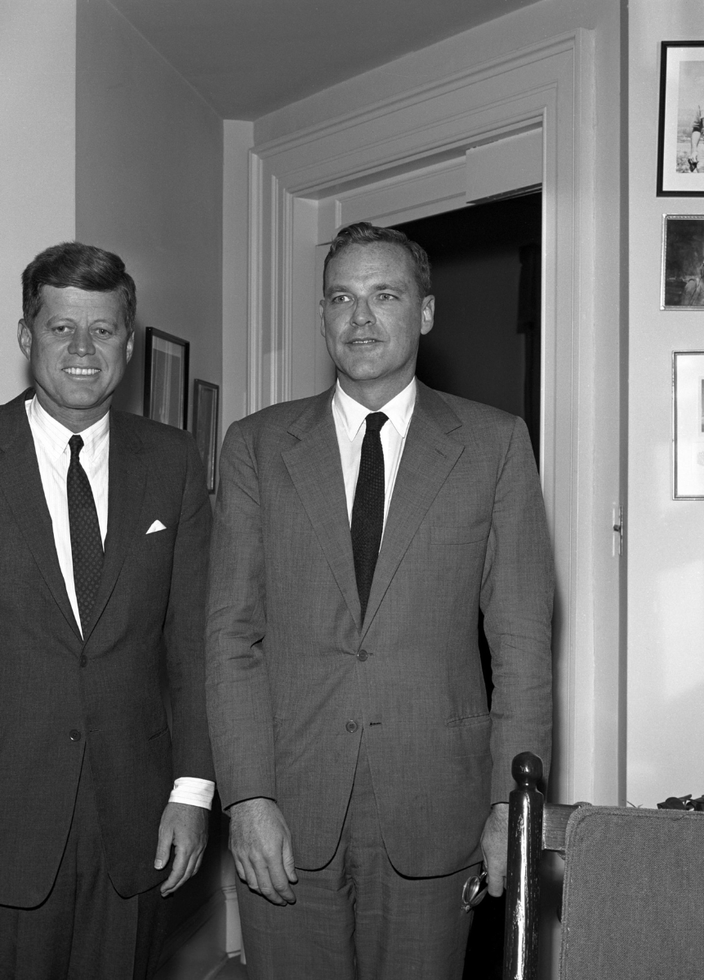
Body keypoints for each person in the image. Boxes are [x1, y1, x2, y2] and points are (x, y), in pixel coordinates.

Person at [206, 222, 554, 980]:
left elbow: (523, 638)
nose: (360, 317)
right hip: (288, 805)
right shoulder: (256, 448)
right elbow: (231, 636)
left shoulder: (495, 446)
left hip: (439, 805)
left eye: (384, 295)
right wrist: (247, 797)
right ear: (324, 315)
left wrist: (509, 807)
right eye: (341, 298)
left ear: (425, 312)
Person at [0, 242, 215, 980]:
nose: (83, 349)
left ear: (127, 340)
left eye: (102, 329)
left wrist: (193, 792)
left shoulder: (175, 461)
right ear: (27, 336)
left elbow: (193, 643)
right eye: (62, 328)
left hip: (133, 823)